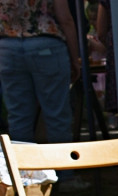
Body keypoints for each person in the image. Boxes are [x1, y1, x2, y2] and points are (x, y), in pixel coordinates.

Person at [0, 0, 80, 161]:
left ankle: (24, 174)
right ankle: (64, 173)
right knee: (56, 114)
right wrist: (75, 57)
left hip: (8, 46)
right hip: (46, 44)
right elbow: (65, 18)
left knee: (18, 116)